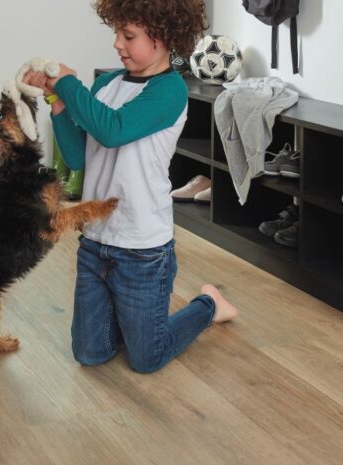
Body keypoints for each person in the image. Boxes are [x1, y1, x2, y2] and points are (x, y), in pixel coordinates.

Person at [23, 0, 238, 374]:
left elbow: (112, 131)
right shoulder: (107, 84)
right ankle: (133, 320)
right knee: (90, 353)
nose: (117, 44)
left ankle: (208, 305)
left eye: (128, 35)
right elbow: (79, 158)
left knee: (147, 359)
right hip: (96, 243)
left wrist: (69, 84)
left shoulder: (169, 90)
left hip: (142, 249)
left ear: (164, 36)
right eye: (116, 33)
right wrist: (58, 103)